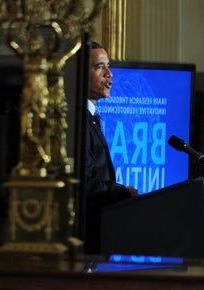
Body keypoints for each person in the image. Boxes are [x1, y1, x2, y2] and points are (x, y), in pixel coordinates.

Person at [83, 41, 138, 254]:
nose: (109, 73)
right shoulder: (77, 121)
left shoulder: (92, 117)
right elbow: (87, 184)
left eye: (108, 66)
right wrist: (124, 191)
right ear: (79, 73)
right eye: (99, 67)